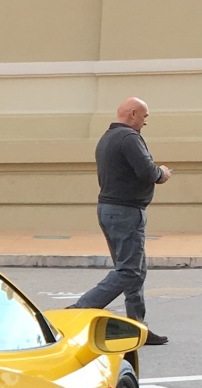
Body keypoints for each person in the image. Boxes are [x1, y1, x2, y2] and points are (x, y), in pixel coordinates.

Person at [70, 97, 173, 345]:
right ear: (133, 113)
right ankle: (78, 310)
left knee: (134, 270)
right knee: (129, 270)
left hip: (110, 209)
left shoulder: (107, 137)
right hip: (125, 211)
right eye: (145, 117)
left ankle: (137, 327)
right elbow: (148, 172)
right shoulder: (129, 138)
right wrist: (163, 173)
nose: (145, 122)